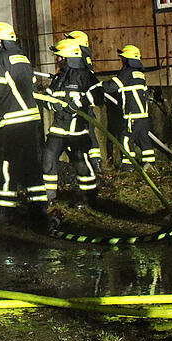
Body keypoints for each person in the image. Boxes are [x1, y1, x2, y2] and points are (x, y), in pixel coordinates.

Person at [0, 22, 45, 225]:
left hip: (13, 121)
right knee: (32, 166)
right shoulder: (23, 58)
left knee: (7, 166)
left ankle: (5, 212)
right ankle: (38, 212)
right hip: (31, 120)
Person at [41, 38, 101, 209]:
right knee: (48, 160)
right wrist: (50, 102)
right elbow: (47, 97)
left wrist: (79, 102)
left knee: (81, 163)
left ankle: (88, 196)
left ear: (67, 58)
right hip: (58, 129)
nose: (57, 60)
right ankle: (48, 196)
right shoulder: (59, 77)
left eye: (59, 57)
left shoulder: (84, 75)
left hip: (77, 131)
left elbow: (98, 93)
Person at [101, 45, 155, 170]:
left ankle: (128, 164)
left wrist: (98, 85)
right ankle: (150, 163)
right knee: (144, 139)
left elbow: (112, 86)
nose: (122, 60)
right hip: (143, 115)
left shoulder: (126, 73)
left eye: (123, 58)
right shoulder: (140, 75)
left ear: (127, 59)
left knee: (126, 138)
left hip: (132, 115)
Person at [65, 30, 102, 174]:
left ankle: (95, 163)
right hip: (79, 100)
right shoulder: (81, 55)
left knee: (88, 133)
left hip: (82, 102)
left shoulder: (81, 57)